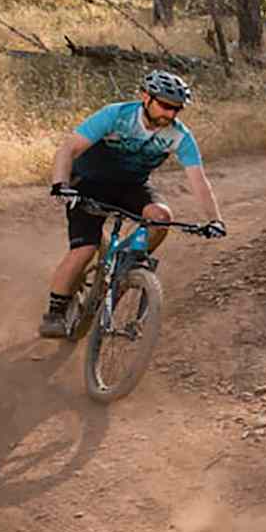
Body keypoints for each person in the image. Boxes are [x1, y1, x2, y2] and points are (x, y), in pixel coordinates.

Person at [41, 71, 227, 338]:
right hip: (88, 184)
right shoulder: (116, 115)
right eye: (164, 105)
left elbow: (199, 180)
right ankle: (55, 312)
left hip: (130, 186)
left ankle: (126, 267)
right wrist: (61, 184)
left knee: (161, 217)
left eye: (176, 109)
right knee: (84, 249)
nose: (170, 114)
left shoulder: (179, 136)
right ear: (145, 97)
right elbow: (68, 149)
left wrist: (215, 220)